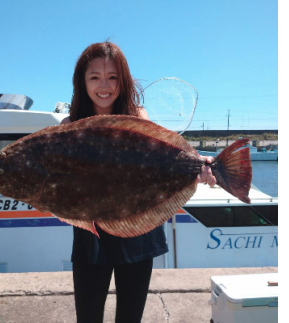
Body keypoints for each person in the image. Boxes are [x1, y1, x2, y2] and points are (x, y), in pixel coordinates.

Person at [61, 41, 216, 323]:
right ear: (82, 81)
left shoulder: (138, 116)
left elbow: (166, 157)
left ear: (124, 80)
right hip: (91, 234)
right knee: (88, 316)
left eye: (112, 77)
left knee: (131, 317)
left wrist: (200, 165)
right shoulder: (68, 128)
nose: (103, 86)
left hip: (138, 227)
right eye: (94, 77)